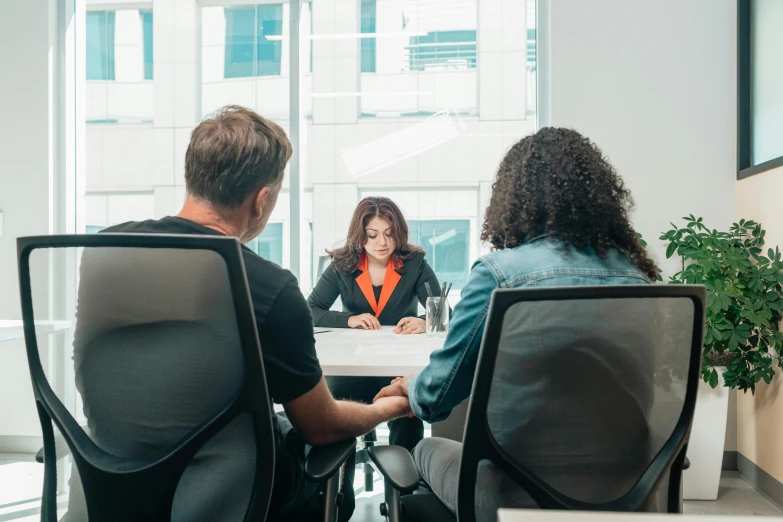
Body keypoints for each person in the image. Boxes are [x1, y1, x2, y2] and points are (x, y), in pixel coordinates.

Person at [69, 106, 411, 522]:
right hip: (229, 499)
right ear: (261, 199)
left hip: (107, 486)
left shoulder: (107, 250)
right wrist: (391, 407)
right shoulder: (267, 285)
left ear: (193, 174)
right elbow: (322, 426)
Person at [374, 127, 659, 518]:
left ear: (515, 198)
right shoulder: (637, 277)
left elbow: (437, 398)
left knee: (423, 448)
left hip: (519, 494)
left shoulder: (501, 274)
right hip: (630, 489)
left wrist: (410, 385)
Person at [307, 197, 445, 452]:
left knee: (408, 416)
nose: (381, 243)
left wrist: (426, 322)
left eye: (389, 234)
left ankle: (405, 489)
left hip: (398, 368)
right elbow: (310, 310)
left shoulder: (415, 263)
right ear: (360, 235)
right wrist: (349, 319)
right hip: (352, 366)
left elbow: (444, 314)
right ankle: (338, 491)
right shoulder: (342, 264)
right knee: (336, 424)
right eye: (372, 235)